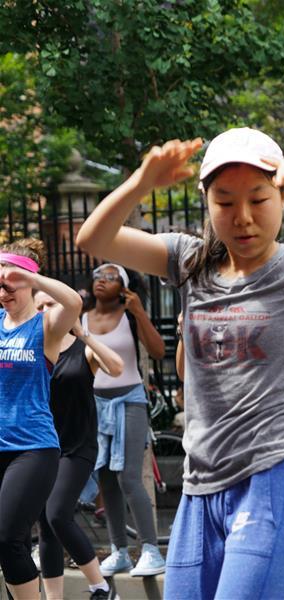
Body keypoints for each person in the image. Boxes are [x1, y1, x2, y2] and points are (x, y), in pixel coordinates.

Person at [75, 128, 284, 598]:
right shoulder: (189, 261)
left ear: (281, 195)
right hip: (201, 488)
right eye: (224, 202)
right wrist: (141, 181)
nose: (242, 218)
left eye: (258, 200)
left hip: (277, 479)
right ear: (206, 201)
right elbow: (94, 237)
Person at [0, 239, 83, 600]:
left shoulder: (46, 327)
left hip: (32, 448)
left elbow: (74, 302)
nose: (3, 288)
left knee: (8, 539)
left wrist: (31, 276)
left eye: (10, 281)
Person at [33, 291, 124, 600]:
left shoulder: (82, 350)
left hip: (78, 447)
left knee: (57, 513)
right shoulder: (31, 350)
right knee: (46, 524)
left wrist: (85, 335)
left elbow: (116, 367)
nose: (46, 310)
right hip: (43, 448)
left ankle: (102, 587)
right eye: (39, 306)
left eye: (51, 304)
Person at [81, 263, 167, 577]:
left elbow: (158, 351)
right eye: (98, 276)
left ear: (125, 287)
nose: (102, 281)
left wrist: (140, 312)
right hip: (95, 404)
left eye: (111, 277)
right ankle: (119, 551)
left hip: (129, 400)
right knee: (105, 476)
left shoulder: (130, 316)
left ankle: (150, 550)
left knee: (128, 477)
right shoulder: (81, 318)